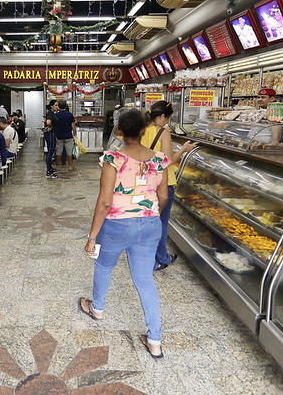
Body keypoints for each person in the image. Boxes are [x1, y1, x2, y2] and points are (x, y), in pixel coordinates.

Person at [79, 108, 171, 359]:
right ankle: (154, 339)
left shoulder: (113, 159)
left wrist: (91, 237)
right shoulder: (159, 159)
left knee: (104, 266)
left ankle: (97, 309)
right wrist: (149, 215)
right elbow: (163, 196)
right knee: (145, 280)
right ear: (144, 131)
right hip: (151, 223)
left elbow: (105, 202)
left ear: (119, 131)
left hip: (117, 225)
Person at [141, 101, 197, 271]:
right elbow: (168, 161)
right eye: (167, 118)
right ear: (162, 116)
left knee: (147, 220)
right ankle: (158, 259)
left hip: (145, 181)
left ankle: (154, 257)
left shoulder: (141, 130)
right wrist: (184, 150)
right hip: (163, 183)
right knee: (161, 222)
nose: (167, 122)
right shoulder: (163, 133)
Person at [54, 102, 77, 171]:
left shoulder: (56, 115)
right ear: (66, 106)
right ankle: (70, 166)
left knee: (58, 152)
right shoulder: (69, 115)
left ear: (58, 107)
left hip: (59, 136)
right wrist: (74, 133)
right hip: (68, 136)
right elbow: (73, 125)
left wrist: (55, 135)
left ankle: (58, 166)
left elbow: (55, 126)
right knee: (69, 152)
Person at [44, 100, 60, 179]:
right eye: (55, 105)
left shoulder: (52, 113)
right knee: (50, 153)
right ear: (51, 106)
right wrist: (51, 127)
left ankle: (50, 168)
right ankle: (48, 171)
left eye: (57, 105)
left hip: (52, 135)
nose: (57, 107)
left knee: (51, 152)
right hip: (50, 134)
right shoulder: (50, 113)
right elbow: (48, 122)